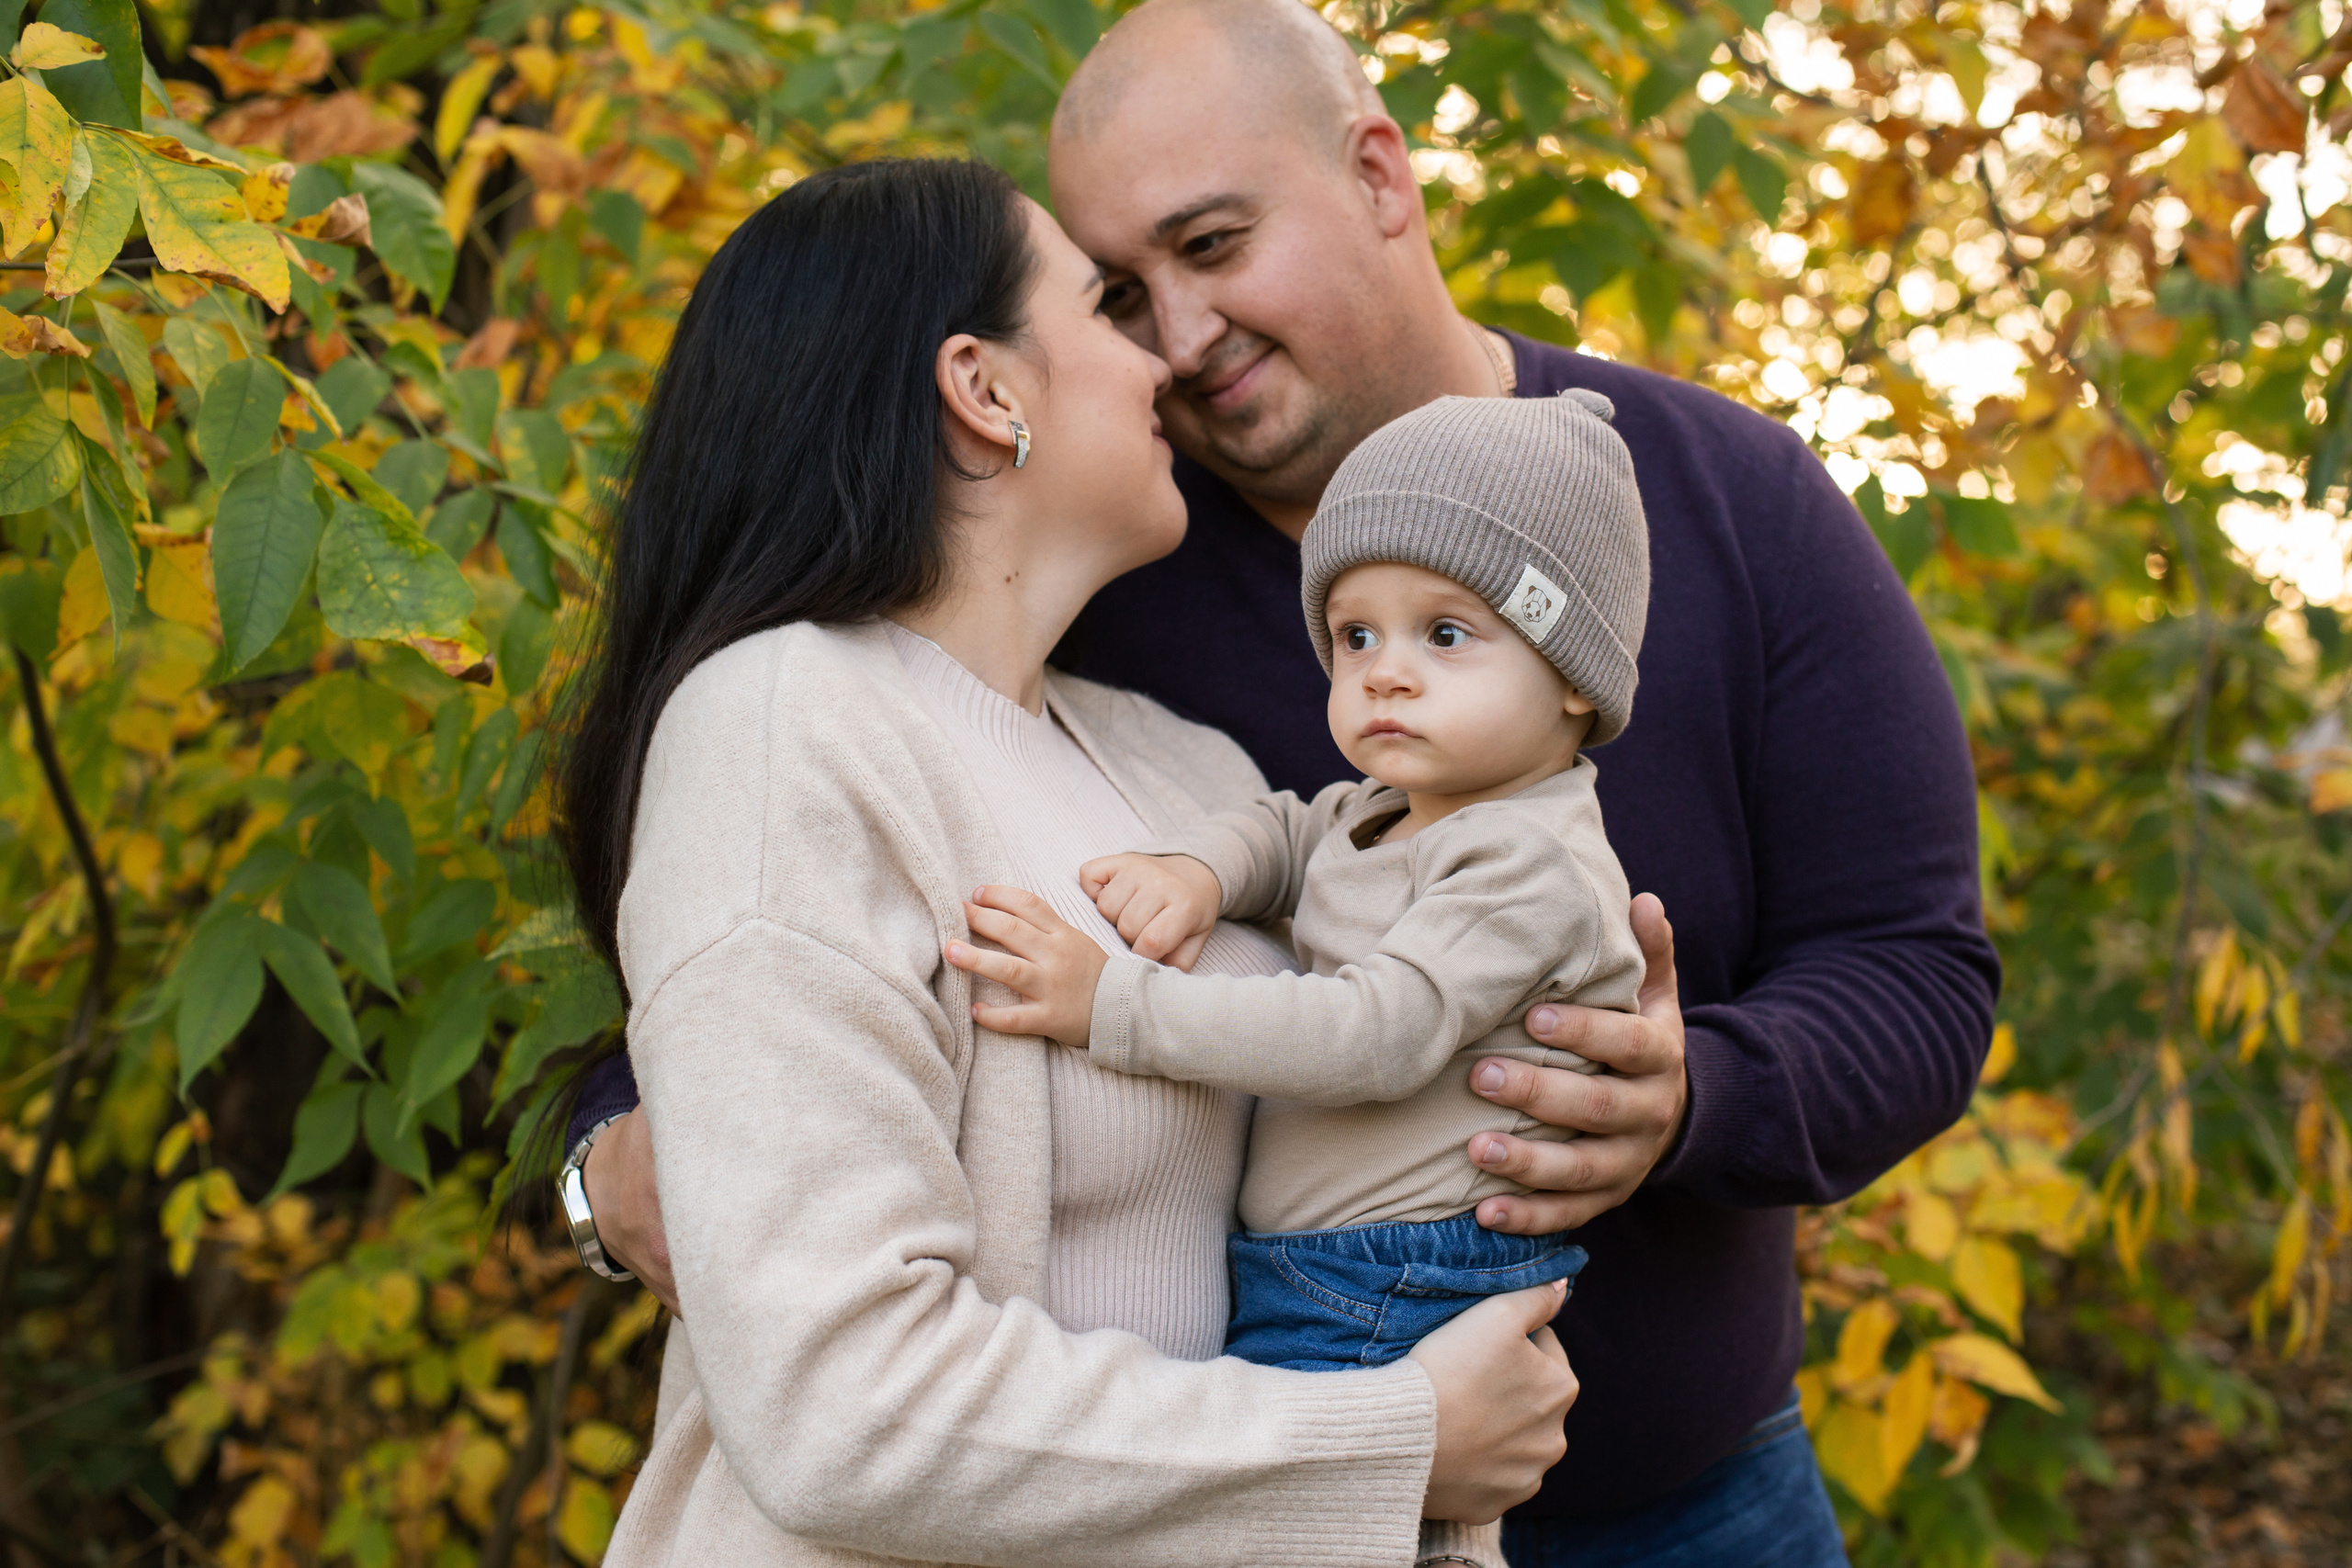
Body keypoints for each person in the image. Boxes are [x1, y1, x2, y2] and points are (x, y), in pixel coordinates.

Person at [571, 0, 1999, 1560]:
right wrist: (623, 1141)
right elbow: (768, 938)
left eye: (1214, 245)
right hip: (1236, 1495)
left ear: (1379, 174)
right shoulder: (1096, 582)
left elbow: (1916, 967)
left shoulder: (1716, 500)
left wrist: (1689, 1095)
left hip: (1681, 1499)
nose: (1177, 342)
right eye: (1121, 295)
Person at [569, 156, 1574, 1567]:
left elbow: (1375, 1089)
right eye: (1106, 307)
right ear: (984, 389)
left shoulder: (1187, 774)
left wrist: (1593, 1045)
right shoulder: (787, 727)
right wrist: (1389, 1441)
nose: (1166, 357)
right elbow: (843, 1408)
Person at [944, 389, 1652, 1380]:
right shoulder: (1396, 808)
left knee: (1297, 1475)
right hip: (1342, 1263)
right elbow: (1288, 830)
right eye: (1356, 636)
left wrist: (1115, 1005)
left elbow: (1372, 1033)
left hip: (1401, 1277)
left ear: (1574, 672)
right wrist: (1201, 871)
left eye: (1445, 635)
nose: (1385, 673)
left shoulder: (1526, 864)